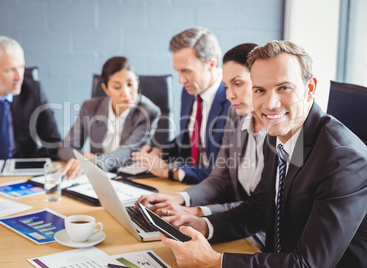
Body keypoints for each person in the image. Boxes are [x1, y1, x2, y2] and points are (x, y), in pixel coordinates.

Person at [160, 40, 367, 267]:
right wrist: (207, 225)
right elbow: (261, 207)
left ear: (310, 89)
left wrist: (215, 261)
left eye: (284, 88)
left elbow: (309, 263)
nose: (270, 104)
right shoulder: (277, 133)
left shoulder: (342, 159)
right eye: (260, 90)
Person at [135, 43, 267, 219]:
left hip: (239, 217)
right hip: (227, 211)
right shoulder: (234, 113)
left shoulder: (274, 128)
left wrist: (195, 209)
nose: (230, 95)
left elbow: (260, 206)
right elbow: (217, 174)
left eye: (238, 83)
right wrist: (178, 198)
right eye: (227, 86)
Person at [132, 27, 230, 184]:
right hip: (187, 185)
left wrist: (170, 171)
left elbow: (226, 171)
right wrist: (161, 152)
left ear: (211, 64)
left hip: (216, 192)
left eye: (187, 71)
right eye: (178, 71)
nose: (180, 80)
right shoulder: (190, 91)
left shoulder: (234, 100)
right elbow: (189, 139)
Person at [0, 36, 61, 167]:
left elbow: (54, 142)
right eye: (10, 69)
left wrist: (29, 165)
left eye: (21, 67)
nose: (19, 76)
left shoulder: (33, 91)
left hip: (19, 171)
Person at [58, 56, 161, 178]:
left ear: (137, 81)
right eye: (117, 87)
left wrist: (95, 162)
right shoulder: (90, 107)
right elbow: (65, 149)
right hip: (96, 177)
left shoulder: (148, 112)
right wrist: (85, 157)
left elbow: (128, 151)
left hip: (130, 178)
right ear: (106, 89)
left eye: (130, 84)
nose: (126, 92)